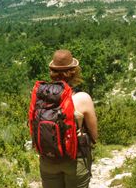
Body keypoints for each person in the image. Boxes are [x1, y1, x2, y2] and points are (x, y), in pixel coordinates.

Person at [40, 49, 99, 188]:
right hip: (75, 160)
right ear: (74, 72)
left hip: (48, 160)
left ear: (52, 72)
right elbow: (94, 135)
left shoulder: (41, 97)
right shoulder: (82, 98)